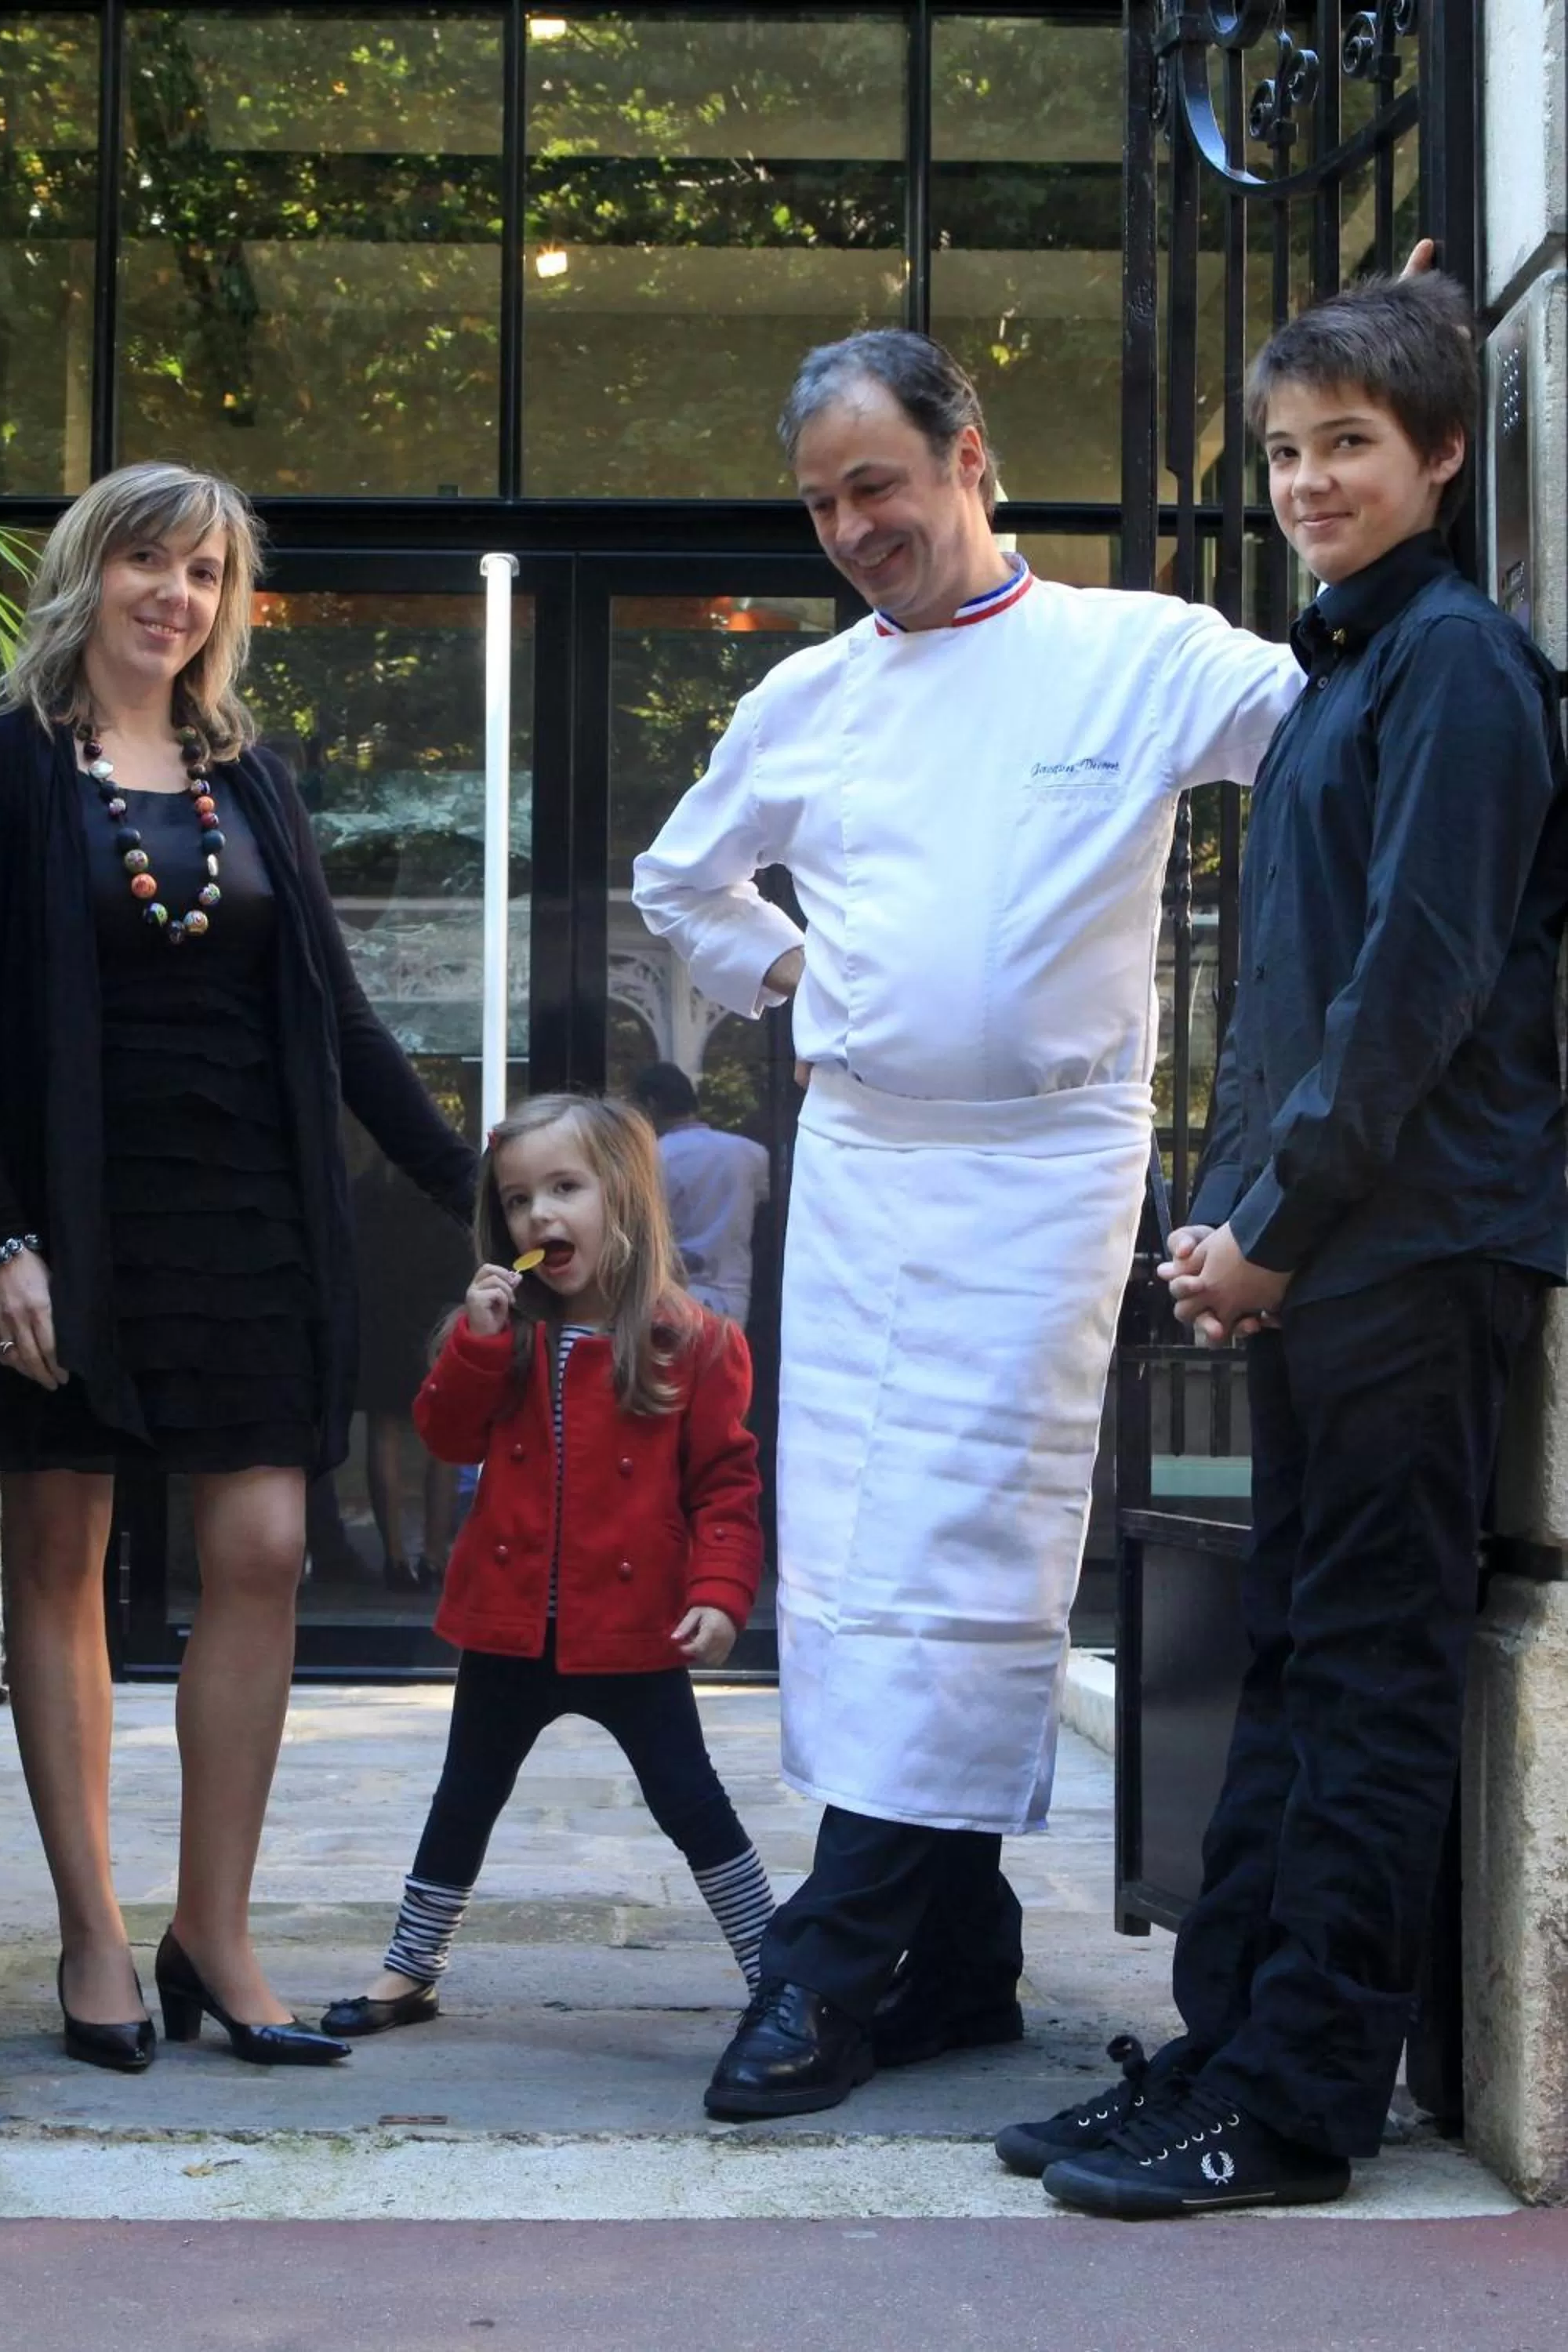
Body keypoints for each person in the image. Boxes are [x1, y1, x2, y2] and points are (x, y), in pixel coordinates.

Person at [630, 329, 1307, 2122]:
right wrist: (783, 969)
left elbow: (1334, 734)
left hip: (1042, 1165)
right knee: (851, 1553)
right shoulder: (803, 695)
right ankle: (957, 1956)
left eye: (876, 483)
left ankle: (831, 1956)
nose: (852, 525)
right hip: (858, 1162)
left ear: (966, 459)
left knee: (962, 1539)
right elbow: (675, 878)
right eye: (819, 500)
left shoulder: (1134, 651)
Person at [1014, 274, 1568, 2219]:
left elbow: (1412, 992)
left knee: (1360, 1671)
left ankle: (1300, 2097)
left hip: (1404, 1254)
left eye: (1346, 442)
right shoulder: (1338, 675)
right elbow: (1296, 995)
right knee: (1260, 1660)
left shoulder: (1462, 673)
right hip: (1303, 1252)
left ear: (1436, 452)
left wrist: (1273, 1220)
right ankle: (1224, 2040)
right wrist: (1218, 1223)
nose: (1308, 479)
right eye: (1281, 450)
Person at [0, 460, 474, 2072]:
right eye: (150, 562)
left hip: (242, 1209)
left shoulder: (254, 783)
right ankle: (94, 1932)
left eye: (209, 573)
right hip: (70, 1215)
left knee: (268, 1550)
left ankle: (211, 1930)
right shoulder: (0, 770)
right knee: (61, 1559)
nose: (177, 595)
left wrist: (468, 1188)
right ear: (90, 573)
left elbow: (341, 1018)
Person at [319, 1094, 775, 2037]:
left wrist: (720, 1599)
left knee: (691, 1802)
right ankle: (411, 1969)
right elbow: (445, 1436)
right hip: (508, 1621)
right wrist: (478, 1343)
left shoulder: (692, 1344)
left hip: (634, 1630)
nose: (539, 1217)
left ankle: (776, 1964)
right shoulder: (501, 1336)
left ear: (625, 1199)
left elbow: (725, 1489)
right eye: (519, 1199)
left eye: (564, 1189)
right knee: (464, 1798)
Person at [350, 1130, 474, 1591]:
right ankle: (436, 1556)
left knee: (383, 1431)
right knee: (443, 1441)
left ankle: (394, 1557)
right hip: (434, 1322)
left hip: (379, 1321)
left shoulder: (364, 1191)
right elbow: (461, 1259)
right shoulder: (440, 1194)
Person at [628, 1062, 773, 1325]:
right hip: (735, 1293)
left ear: (651, 1104)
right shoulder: (752, 1153)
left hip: (669, 1292)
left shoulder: (649, 1158)